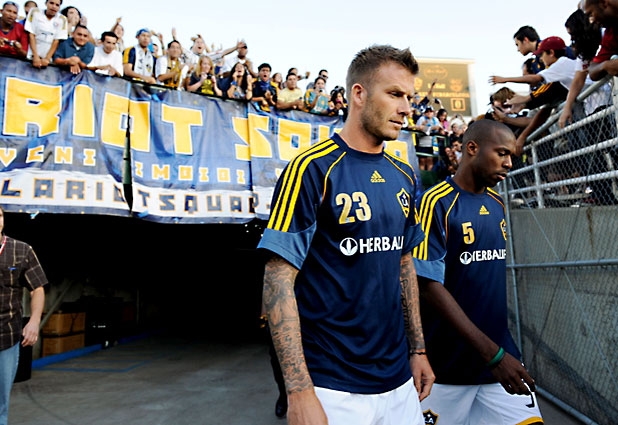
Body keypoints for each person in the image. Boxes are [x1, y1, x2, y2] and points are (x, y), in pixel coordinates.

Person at [259, 44, 434, 425]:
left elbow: (404, 263)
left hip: (398, 380)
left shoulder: (405, 175)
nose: (406, 108)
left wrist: (418, 350)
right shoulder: (311, 168)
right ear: (359, 94)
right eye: (395, 94)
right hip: (333, 386)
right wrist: (298, 390)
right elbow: (277, 279)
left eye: (409, 97)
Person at [412, 120, 543, 425]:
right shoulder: (435, 203)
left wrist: (498, 356)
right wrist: (492, 355)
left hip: (500, 364)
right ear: (472, 148)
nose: (509, 163)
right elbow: (427, 285)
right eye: (502, 153)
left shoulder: (497, 204)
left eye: (511, 156)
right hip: (445, 370)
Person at [0, 206, 47, 425]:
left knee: (1, 402)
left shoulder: (21, 250)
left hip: (6, 337)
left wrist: (34, 322)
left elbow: (37, 289)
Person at [24, 0, 68, 68]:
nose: (54, 6)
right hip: (30, 57)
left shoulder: (62, 19)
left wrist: (47, 58)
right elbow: (31, 35)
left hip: (47, 61)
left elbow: (56, 41)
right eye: (51, 3)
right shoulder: (35, 12)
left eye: (57, 5)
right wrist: (35, 56)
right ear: (46, 3)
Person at [584, 0, 618, 80]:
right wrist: (605, 65)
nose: (591, 21)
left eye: (591, 14)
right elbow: (592, 70)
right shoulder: (611, 32)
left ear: (604, 3)